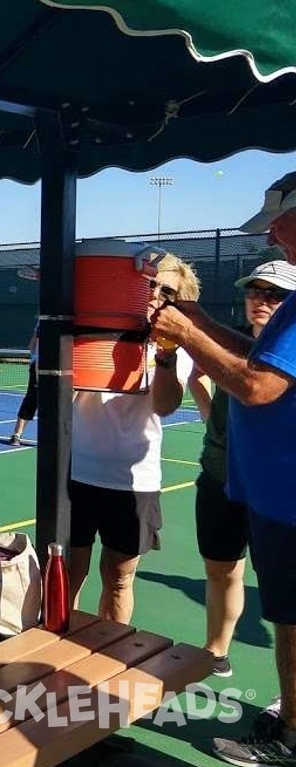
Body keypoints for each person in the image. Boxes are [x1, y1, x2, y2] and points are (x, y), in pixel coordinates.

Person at [151, 171, 296, 767]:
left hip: (289, 499)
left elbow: (259, 386)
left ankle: (290, 739)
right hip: (275, 495)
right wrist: (196, 320)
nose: (274, 241)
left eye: (280, 229)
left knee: (291, 618)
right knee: (286, 614)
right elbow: (256, 355)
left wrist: (185, 330)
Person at [67, 253, 199, 626]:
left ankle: (109, 658)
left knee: (119, 579)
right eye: (149, 285)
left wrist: (165, 354)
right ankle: (57, 647)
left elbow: (165, 405)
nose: (154, 294)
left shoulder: (173, 348)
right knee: (68, 571)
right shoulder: (89, 329)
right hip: (77, 471)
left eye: (166, 290)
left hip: (133, 482)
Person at [187, 260, 296, 681]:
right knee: (226, 571)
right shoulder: (245, 343)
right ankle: (217, 652)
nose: (261, 301)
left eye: (275, 294)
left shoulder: (281, 345)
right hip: (229, 476)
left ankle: (289, 720)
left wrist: (188, 333)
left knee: (286, 605)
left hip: (277, 489)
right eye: (255, 292)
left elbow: (255, 387)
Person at [9, 321, 40, 446]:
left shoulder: (41, 322)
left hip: (44, 366)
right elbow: (33, 346)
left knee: (31, 400)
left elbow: (31, 347)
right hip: (42, 366)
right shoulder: (42, 323)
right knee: (31, 400)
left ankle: (16, 435)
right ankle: (16, 435)